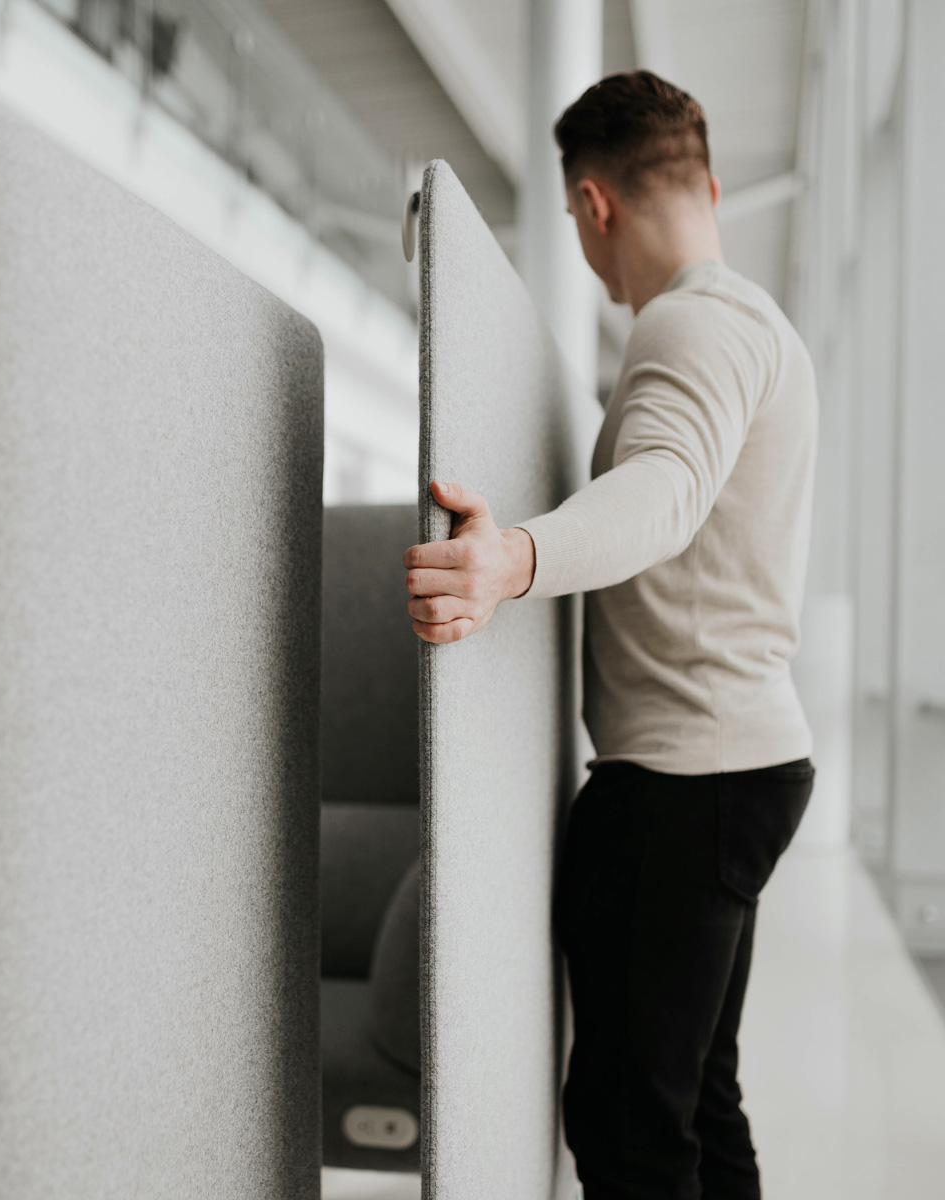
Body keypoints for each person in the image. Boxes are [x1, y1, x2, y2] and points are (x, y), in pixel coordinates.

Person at [402, 71, 817, 1200]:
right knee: (694, 1101)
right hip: (741, 762)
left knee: (631, 1126)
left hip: (686, 779)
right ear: (712, 184)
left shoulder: (686, 325)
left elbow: (664, 490)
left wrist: (510, 558)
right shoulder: (758, 326)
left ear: (594, 205)